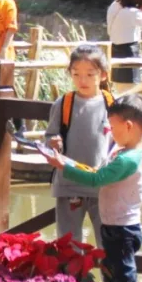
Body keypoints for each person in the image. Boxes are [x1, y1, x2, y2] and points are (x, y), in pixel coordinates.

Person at [44, 95, 142, 282]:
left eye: (112, 126)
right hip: (117, 225)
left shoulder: (126, 160)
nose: (110, 132)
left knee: (123, 273)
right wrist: (69, 163)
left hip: (121, 229)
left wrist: (63, 167)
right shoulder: (132, 151)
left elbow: (96, 179)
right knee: (112, 269)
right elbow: (98, 172)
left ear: (128, 126)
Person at [45, 45, 115, 248]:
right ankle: (70, 279)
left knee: (107, 245)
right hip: (69, 183)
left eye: (89, 74)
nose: (82, 80)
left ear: (102, 75)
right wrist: (53, 141)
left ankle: (108, 279)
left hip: (102, 185)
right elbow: (49, 136)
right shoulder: (64, 103)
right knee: (68, 244)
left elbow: (120, 142)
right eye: (76, 74)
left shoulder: (111, 103)